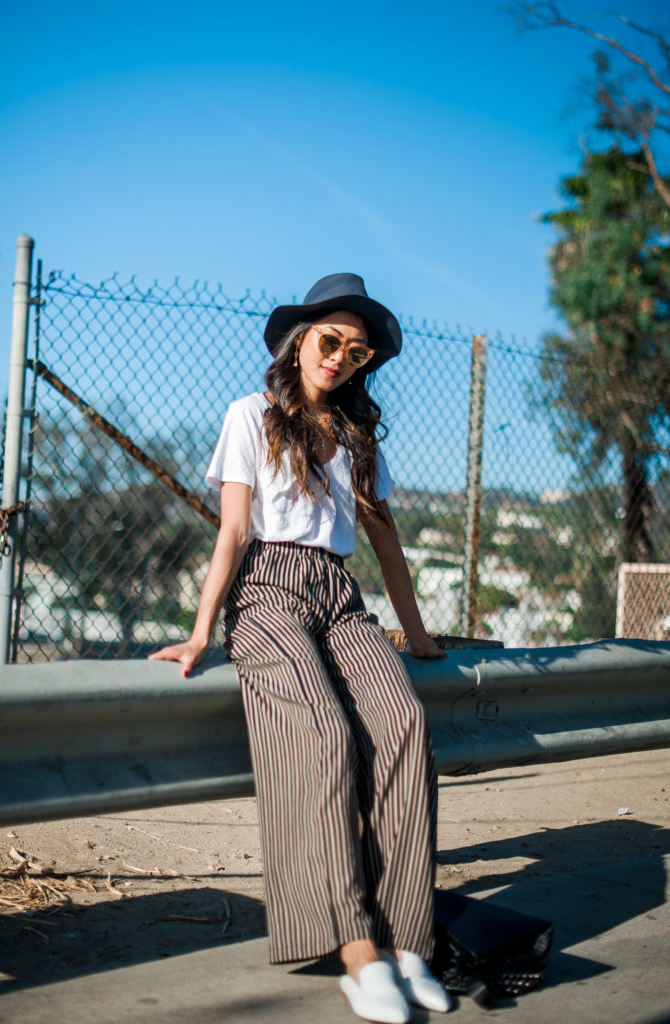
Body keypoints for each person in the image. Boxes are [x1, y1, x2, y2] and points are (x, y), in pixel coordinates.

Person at [149, 273, 452, 1023]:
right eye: (330, 341)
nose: (341, 357)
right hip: (267, 592)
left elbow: (385, 544)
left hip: (339, 596)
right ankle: (354, 950)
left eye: (357, 350)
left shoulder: (356, 437)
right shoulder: (249, 414)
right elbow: (232, 533)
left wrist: (414, 635)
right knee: (319, 736)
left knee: (404, 726)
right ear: (299, 339)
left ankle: (408, 943)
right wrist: (198, 631)